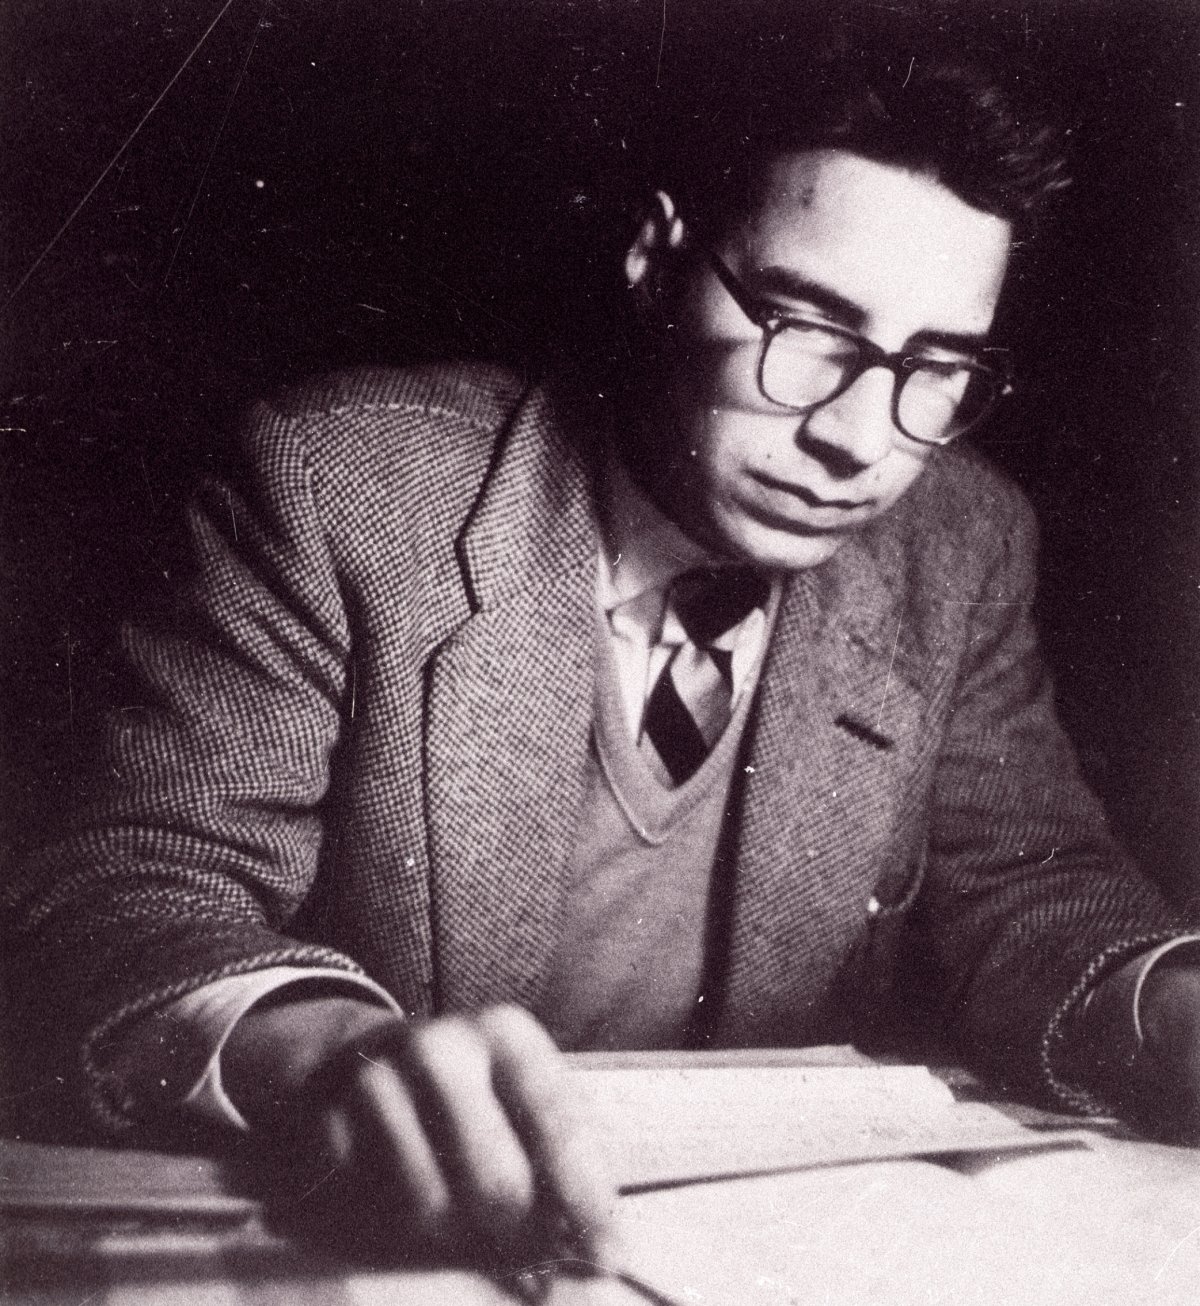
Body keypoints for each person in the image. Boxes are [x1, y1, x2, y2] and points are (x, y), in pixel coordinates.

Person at [7, 42, 1200, 1277]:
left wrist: (1175, 1013)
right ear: (658, 257)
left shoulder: (962, 541)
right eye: (806, 327)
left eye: (936, 367)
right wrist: (327, 1051)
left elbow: (1030, 888)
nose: (859, 439)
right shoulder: (344, 486)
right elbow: (123, 888)